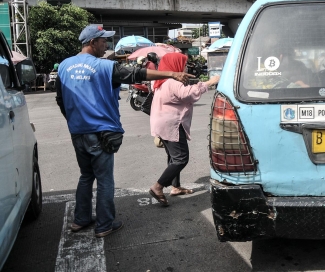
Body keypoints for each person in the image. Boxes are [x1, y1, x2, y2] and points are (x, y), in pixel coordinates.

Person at [56, 25, 193, 238]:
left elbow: (60, 99)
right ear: (92, 42)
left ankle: (80, 220)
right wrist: (171, 73)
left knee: (86, 176)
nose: (106, 45)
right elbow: (136, 74)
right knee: (104, 179)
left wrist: (73, 121)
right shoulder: (103, 67)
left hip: (78, 131)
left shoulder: (64, 66)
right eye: (103, 41)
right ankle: (104, 225)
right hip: (101, 132)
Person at [148, 53, 220, 206]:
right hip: (171, 124)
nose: (186, 67)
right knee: (181, 158)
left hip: (163, 123)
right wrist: (210, 82)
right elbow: (189, 94)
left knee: (173, 157)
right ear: (175, 65)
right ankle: (158, 187)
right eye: (184, 64)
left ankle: (175, 187)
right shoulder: (172, 83)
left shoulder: (162, 81)